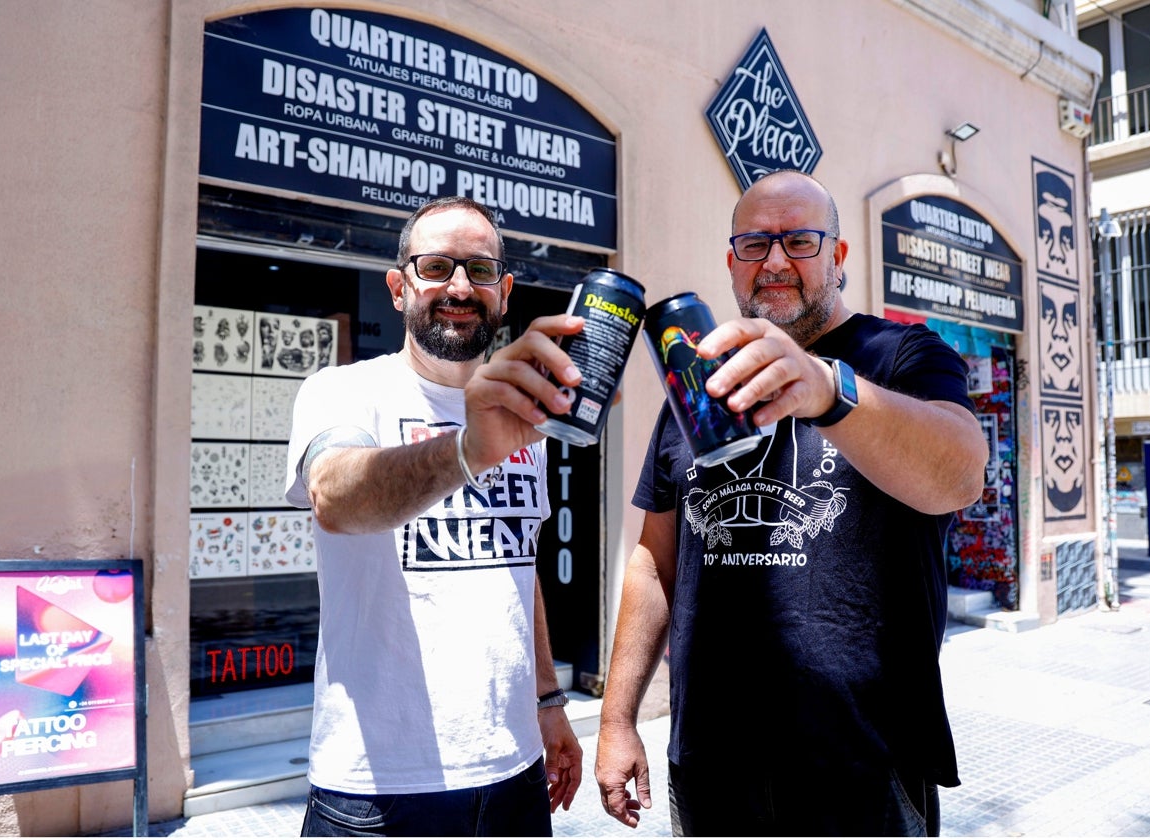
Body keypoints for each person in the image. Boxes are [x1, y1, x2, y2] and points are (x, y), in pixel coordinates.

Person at [594, 170, 988, 837]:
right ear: (731, 263)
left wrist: (828, 390)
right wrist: (615, 720)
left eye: (799, 240)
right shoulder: (696, 386)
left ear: (837, 257)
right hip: (711, 770)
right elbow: (653, 564)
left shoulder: (902, 356)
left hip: (865, 771)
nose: (775, 260)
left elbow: (960, 473)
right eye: (755, 244)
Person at [285, 195, 584, 836]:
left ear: (503, 292)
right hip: (378, 789)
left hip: (514, 775)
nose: (458, 286)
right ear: (399, 287)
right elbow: (335, 497)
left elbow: (517, 567)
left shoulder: (524, 415)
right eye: (436, 266)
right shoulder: (343, 390)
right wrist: (466, 450)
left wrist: (550, 701)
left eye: (478, 270)